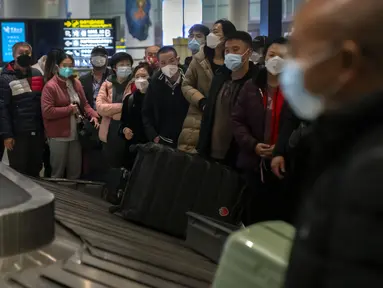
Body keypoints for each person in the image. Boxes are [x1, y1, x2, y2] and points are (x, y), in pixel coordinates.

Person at [280, 0, 383, 287]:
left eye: (298, 52)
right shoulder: (346, 142)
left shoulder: (371, 175)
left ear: (346, 62)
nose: (290, 66)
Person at [232, 37, 288, 225]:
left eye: (283, 56)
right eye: (272, 55)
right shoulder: (251, 87)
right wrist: (253, 145)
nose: (276, 60)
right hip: (253, 163)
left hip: (285, 165)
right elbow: (237, 121)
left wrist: (281, 148)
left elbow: (299, 127)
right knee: (253, 215)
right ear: (264, 57)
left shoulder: (295, 89)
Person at [197, 31, 254, 167]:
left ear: (249, 52)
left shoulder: (255, 82)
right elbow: (209, 114)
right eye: (227, 51)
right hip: (211, 152)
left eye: (235, 50)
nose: (230, 54)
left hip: (239, 154)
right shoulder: (220, 77)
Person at [179, 19, 236, 153]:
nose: (211, 35)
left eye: (216, 32)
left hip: (226, 118)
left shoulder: (233, 61)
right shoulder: (200, 58)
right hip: (198, 116)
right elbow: (186, 84)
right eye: (211, 31)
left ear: (227, 36)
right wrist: (202, 101)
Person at [41, 51, 99, 180]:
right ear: (57, 67)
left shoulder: (75, 83)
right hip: (58, 135)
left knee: (75, 171)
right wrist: (69, 110)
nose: (68, 69)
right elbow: (47, 112)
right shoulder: (51, 86)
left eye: (70, 65)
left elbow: (85, 104)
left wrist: (94, 115)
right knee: (58, 171)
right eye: (64, 65)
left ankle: (74, 198)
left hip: (76, 134)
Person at [0, 42, 45, 177]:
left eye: (27, 53)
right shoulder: (5, 78)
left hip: (37, 131)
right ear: (14, 55)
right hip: (17, 133)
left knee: (36, 167)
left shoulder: (37, 73)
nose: (24, 56)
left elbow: (41, 104)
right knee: (18, 171)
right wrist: (7, 135)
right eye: (21, 53)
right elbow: (2, 109)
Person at [142, 46, 189, 148]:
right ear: (158, 64)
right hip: (163, 140)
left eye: (171, 61)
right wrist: (153, 136)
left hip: (188, 138)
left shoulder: (190, 78)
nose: (168, 65)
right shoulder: (154, 82)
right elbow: (146, 111)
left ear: (178, 60)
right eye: (163, 63)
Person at [96, 52, 134, 168]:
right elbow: (100, 108)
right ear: (114, 68)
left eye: (128, 64)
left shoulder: (134, 84)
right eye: (122, 65)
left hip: (129, 130)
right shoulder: (107, 84)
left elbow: (135, 109)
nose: (125, 67)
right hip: (110, 130)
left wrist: (111, 110)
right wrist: (124, 106)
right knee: (111, 166)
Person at [119, 62, 152, 169]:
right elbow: (122, 124)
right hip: (133, 150)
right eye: (137, 77)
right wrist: (124, 130)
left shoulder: (157, 99)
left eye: (144, 76)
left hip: (153, 149)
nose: (140, 79)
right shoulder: (130, 99)